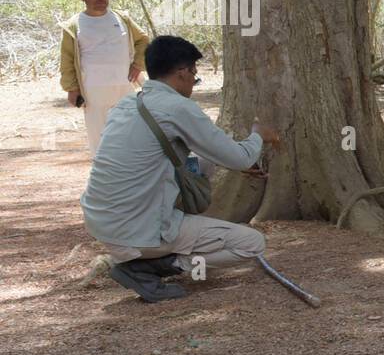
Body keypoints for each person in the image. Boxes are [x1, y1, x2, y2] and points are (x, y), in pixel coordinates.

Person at [81, 35, 280, 303]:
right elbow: (242, 158)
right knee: (251, 244)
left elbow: (171, 156)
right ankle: (152, 267)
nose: (194, 84)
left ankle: (143, 260)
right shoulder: (177, 107)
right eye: (195, 77)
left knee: (202, 162)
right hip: (140, 232)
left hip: (103, 224)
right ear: (183, 72)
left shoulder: (128, 104)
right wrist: (257, 135)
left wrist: (229, 161)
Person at [58, 0, 149, 155]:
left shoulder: (122, 19)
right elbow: (67, 60)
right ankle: (104, 176)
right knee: (99, 136)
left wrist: (138, 64)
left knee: (130, 131)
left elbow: (143, 40)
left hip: (125, 86)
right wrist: (72, 88)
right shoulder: (73, 25)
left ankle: (130, 175)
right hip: (93, 90)